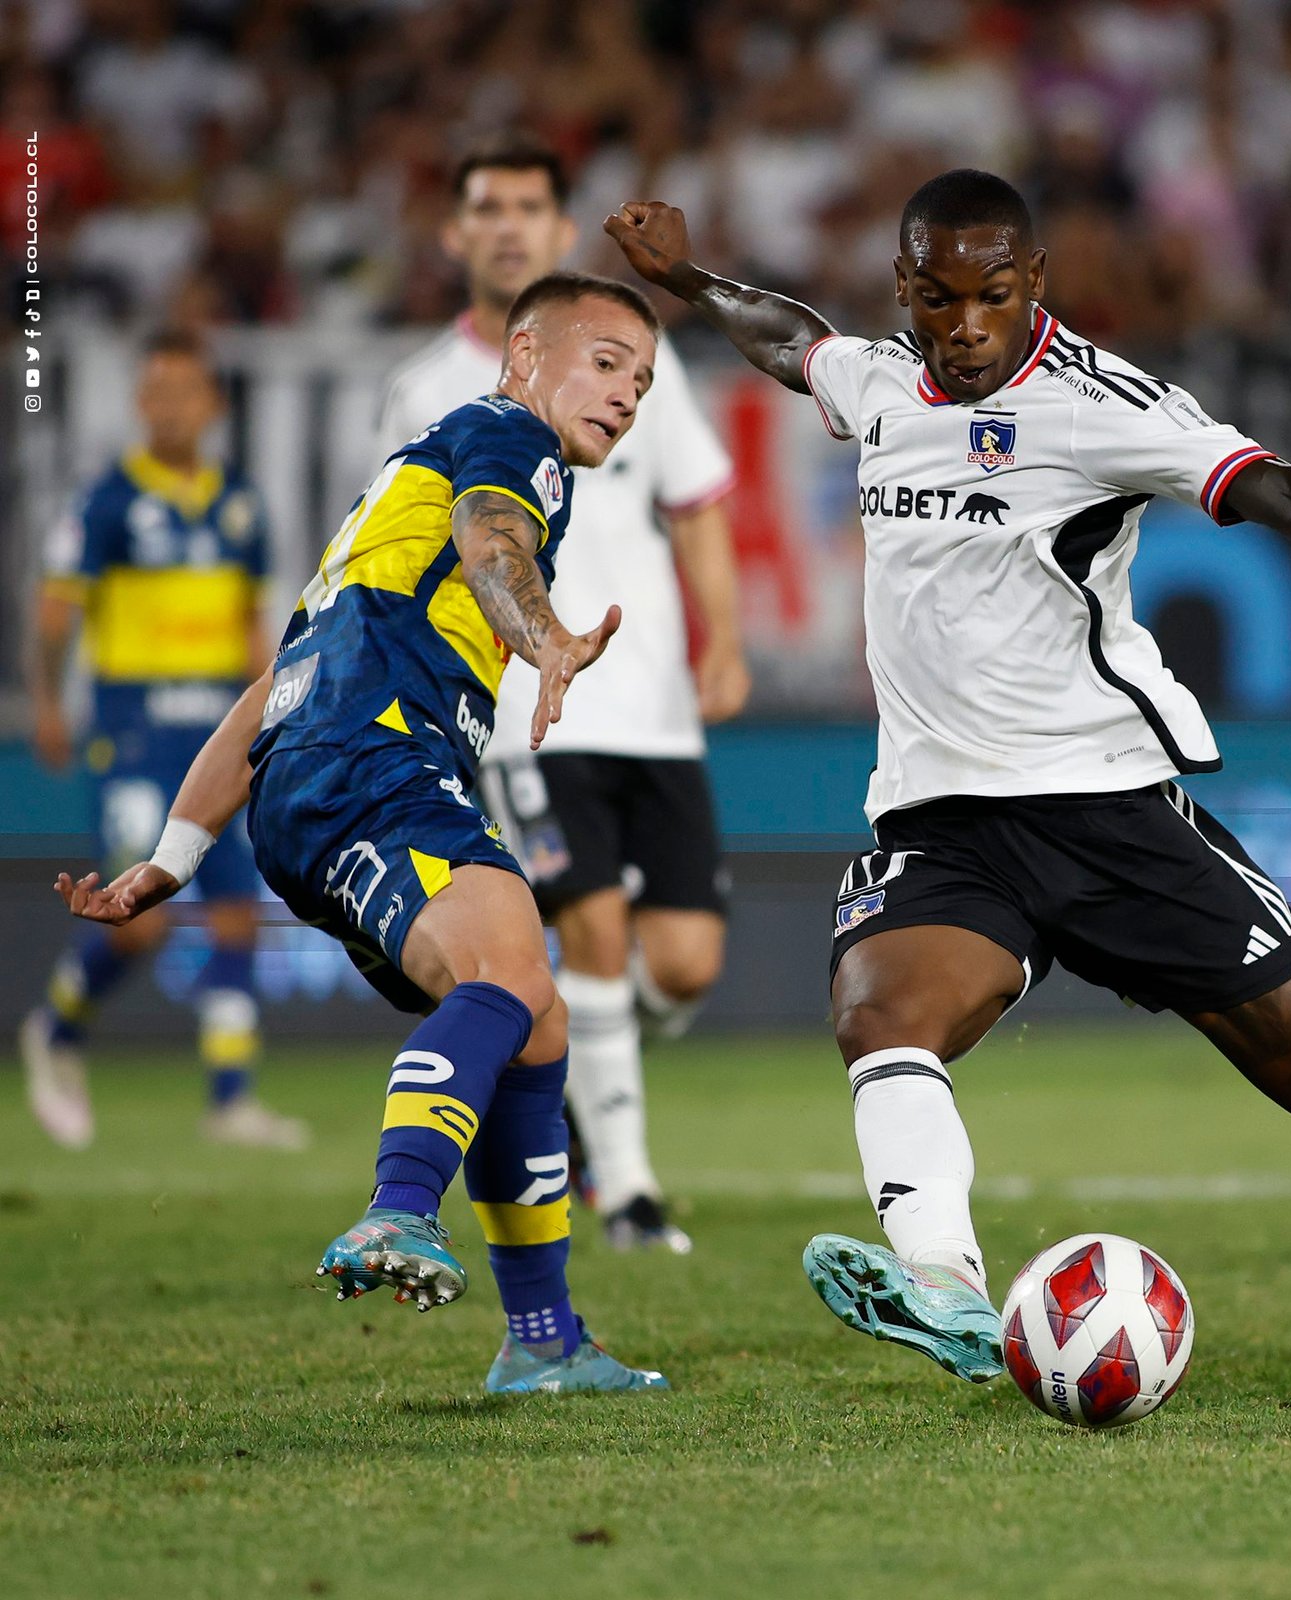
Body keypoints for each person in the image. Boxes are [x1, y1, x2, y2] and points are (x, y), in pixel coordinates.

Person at [606, 171, 1291, 1383]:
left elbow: (1277, 491)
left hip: (1105, 807)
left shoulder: (1098, 405)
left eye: (991, 296)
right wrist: (690, 281)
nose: (963, 326)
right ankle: (943, 1285)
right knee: (880, 1015)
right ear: (904, 288)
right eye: (937, 298)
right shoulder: (885, 381)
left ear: (1032, 285)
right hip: (942, 815)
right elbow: (798, 342)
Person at [56, 271, 670, 1396]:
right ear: (524, 356)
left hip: (305, 778)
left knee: (527, 1016)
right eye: (604, 360)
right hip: (375, 759)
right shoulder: (503, 440)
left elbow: (268, 689)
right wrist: (543, 638)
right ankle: (396, 1212)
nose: (627, 393)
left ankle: (542, 1342)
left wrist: (173, 861)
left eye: (642, 377)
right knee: (513, 961)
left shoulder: (387, 501)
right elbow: (495, 545)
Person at [381, 134, 747, 1253]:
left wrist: (721, 639)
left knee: (680, 964)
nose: (505, 225)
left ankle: (578, 1064)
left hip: (652, 709)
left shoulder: (635, 358)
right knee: (587, 929)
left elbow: (693, 502)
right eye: (483, 207)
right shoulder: (426, 388)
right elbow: (397, 546)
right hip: (528, 715)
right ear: (456, 234)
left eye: (528, 207)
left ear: (551, 228)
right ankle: (629, 1192)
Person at [21, 329, 306, 1152]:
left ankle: (231, 1099)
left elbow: (257, 628)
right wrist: (47, 700)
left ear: (213, 405)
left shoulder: (242, 505)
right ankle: (57, 1031)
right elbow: (55, 616)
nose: (172, 407)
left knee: (234, 914)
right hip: (135, 734)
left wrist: (273, 721)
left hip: (217, 736)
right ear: (140, 403)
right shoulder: (105, 503)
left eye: (188, 391)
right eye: (158, 392)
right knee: (140, 918)